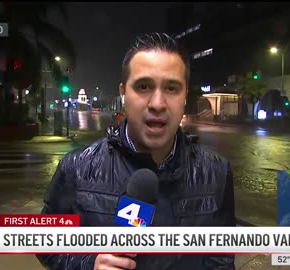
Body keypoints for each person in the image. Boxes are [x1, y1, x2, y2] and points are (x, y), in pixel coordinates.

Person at [36, 32, 236, 270]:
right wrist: (88, 264)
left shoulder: (216, 172)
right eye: (143, 86)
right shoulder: (77, 168)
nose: (157, 103)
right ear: (123, 93)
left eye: (172, 88)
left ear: (185, 97)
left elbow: (220, 259)